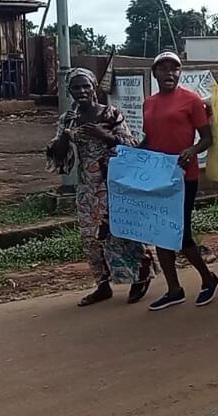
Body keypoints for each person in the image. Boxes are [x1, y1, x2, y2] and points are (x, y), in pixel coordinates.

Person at [45, 68, 157, 307]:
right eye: (76, 87)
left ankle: (141, 276)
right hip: (87, 187)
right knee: (90, 238)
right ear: (70, 91)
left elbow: (131, 145)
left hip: (114, 184)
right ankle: (102, 285)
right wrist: (66, 137)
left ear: (94, 87)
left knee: (123, 230)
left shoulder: (110, 114)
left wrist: (103, 135)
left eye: (86, 86)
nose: (82, 91)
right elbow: (57, 156)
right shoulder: (67, 119)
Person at [140, 52, 218, 311]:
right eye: (163, 69)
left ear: (180, 73)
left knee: (180, 233)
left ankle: (208, 278)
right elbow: (150, 139)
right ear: (155, 74)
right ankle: (174, 289)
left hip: (185, 176)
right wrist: (128, 156)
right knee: (160, 233)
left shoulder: (191, 100)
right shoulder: (149, 103)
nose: (169, 73)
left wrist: (192, 151)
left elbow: (207, 138)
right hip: (158, 176)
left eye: (174, 69)